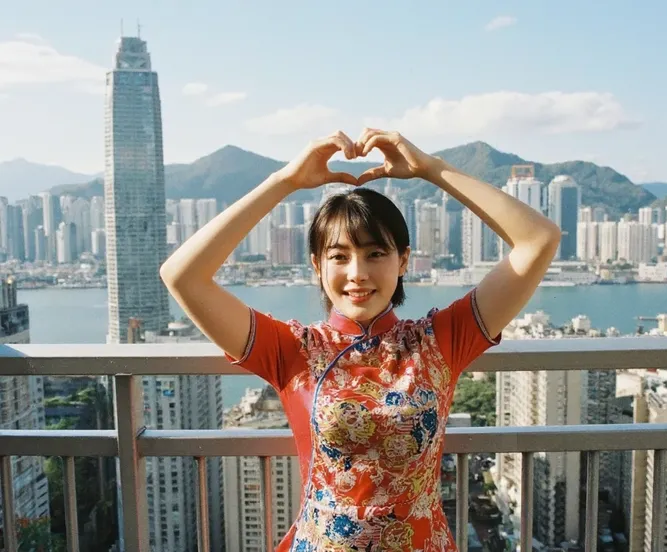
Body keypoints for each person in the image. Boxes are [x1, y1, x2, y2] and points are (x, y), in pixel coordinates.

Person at [160, 128, 561, 551]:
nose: (357, 274)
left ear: (403, 260)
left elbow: (538, 239)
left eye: (375, 254)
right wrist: (285, 181)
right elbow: (182, 275)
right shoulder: (293, 351)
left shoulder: (438, 343)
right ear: (317, 265)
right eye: (339, 256)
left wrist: (431, 169)